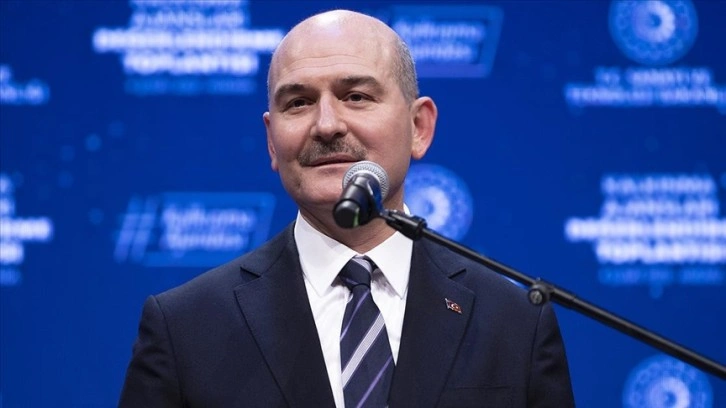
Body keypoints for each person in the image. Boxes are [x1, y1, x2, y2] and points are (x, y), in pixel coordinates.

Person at [118, 9, 575, 407]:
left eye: (356, 96)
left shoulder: (514, 323)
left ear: (419, 127)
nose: (326, 125)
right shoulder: (186, 327)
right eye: (298, 103)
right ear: (272, 142)